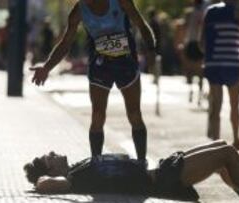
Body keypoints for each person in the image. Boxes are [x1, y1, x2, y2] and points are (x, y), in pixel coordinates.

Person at [29, 0, 156, 164]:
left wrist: (151, 50)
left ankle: (141, 163)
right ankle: (96, 163)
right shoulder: (79, 10)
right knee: (97, 116)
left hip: (125, 63)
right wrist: (46, 67)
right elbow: (66, 43)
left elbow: (141, 25)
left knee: (134, 114)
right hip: (100, 65)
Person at [24, 140, 239, 202]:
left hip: (162, 169)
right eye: (51, 157)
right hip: (162, 180)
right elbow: (44, 185)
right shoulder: (73, 179)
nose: (55, 153)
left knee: (221, 150)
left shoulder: (78, 167)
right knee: (226, 153)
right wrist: (42, 179)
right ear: (52, 169)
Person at [200, 0, 239, 150]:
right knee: (234, 104)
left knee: (216, 105)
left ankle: (215, 144)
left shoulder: (210, 11)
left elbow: (201, 41)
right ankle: (236, 139)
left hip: (213, 63)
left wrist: (208, 57)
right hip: (233, 64)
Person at [183, 0, 209, 106]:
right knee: (195, 70)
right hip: (193, 42)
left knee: (196, 70)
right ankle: (194, 92)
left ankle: (196, 93)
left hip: (195, 42)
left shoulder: (200, 11)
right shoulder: (194, 12)